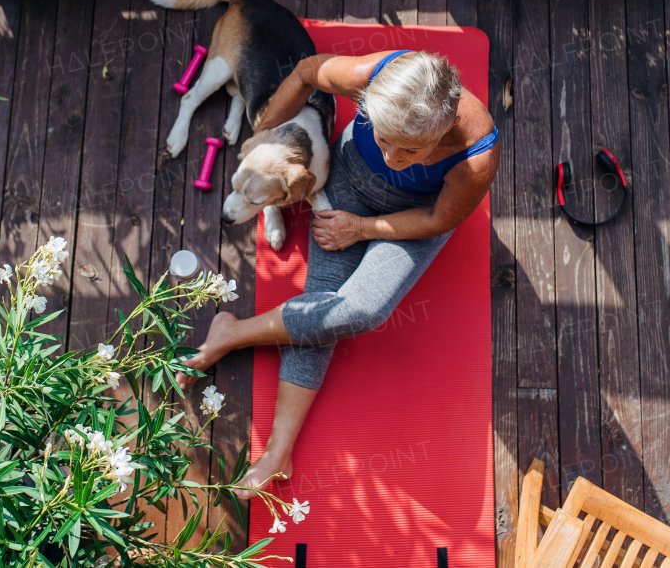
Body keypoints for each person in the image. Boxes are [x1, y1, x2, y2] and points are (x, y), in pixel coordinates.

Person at [173, 49, 500, 500]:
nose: (392, 156)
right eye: (384, 139)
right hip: (344, 184)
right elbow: (306, 70)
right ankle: (277, 454)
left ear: (443, 129)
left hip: (410, 220)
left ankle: (231, 334)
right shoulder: (374, 75)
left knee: (362, 310)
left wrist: (361, 229)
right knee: (324, 307)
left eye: (410, 150)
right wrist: (267, 132)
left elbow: (439, 220)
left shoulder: (476, 157)